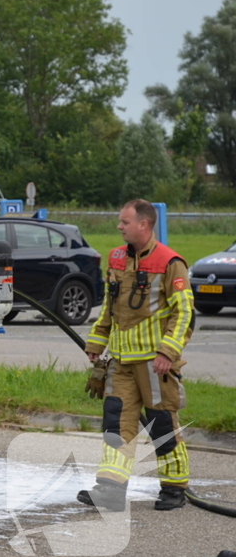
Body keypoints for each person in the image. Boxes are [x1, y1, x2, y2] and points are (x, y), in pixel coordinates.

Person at [79, 199, 194, 512]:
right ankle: (110, 491)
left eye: (124, 222)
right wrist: (96, 341)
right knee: (116, 427)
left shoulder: (171, 263)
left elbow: (185, 313)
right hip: (120, 363)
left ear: (143, 225)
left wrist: (168, 352)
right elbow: (109, 308)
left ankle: (173, 488)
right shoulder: (116, 258)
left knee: (162, 427)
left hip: (155, 366)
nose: (119, 226)